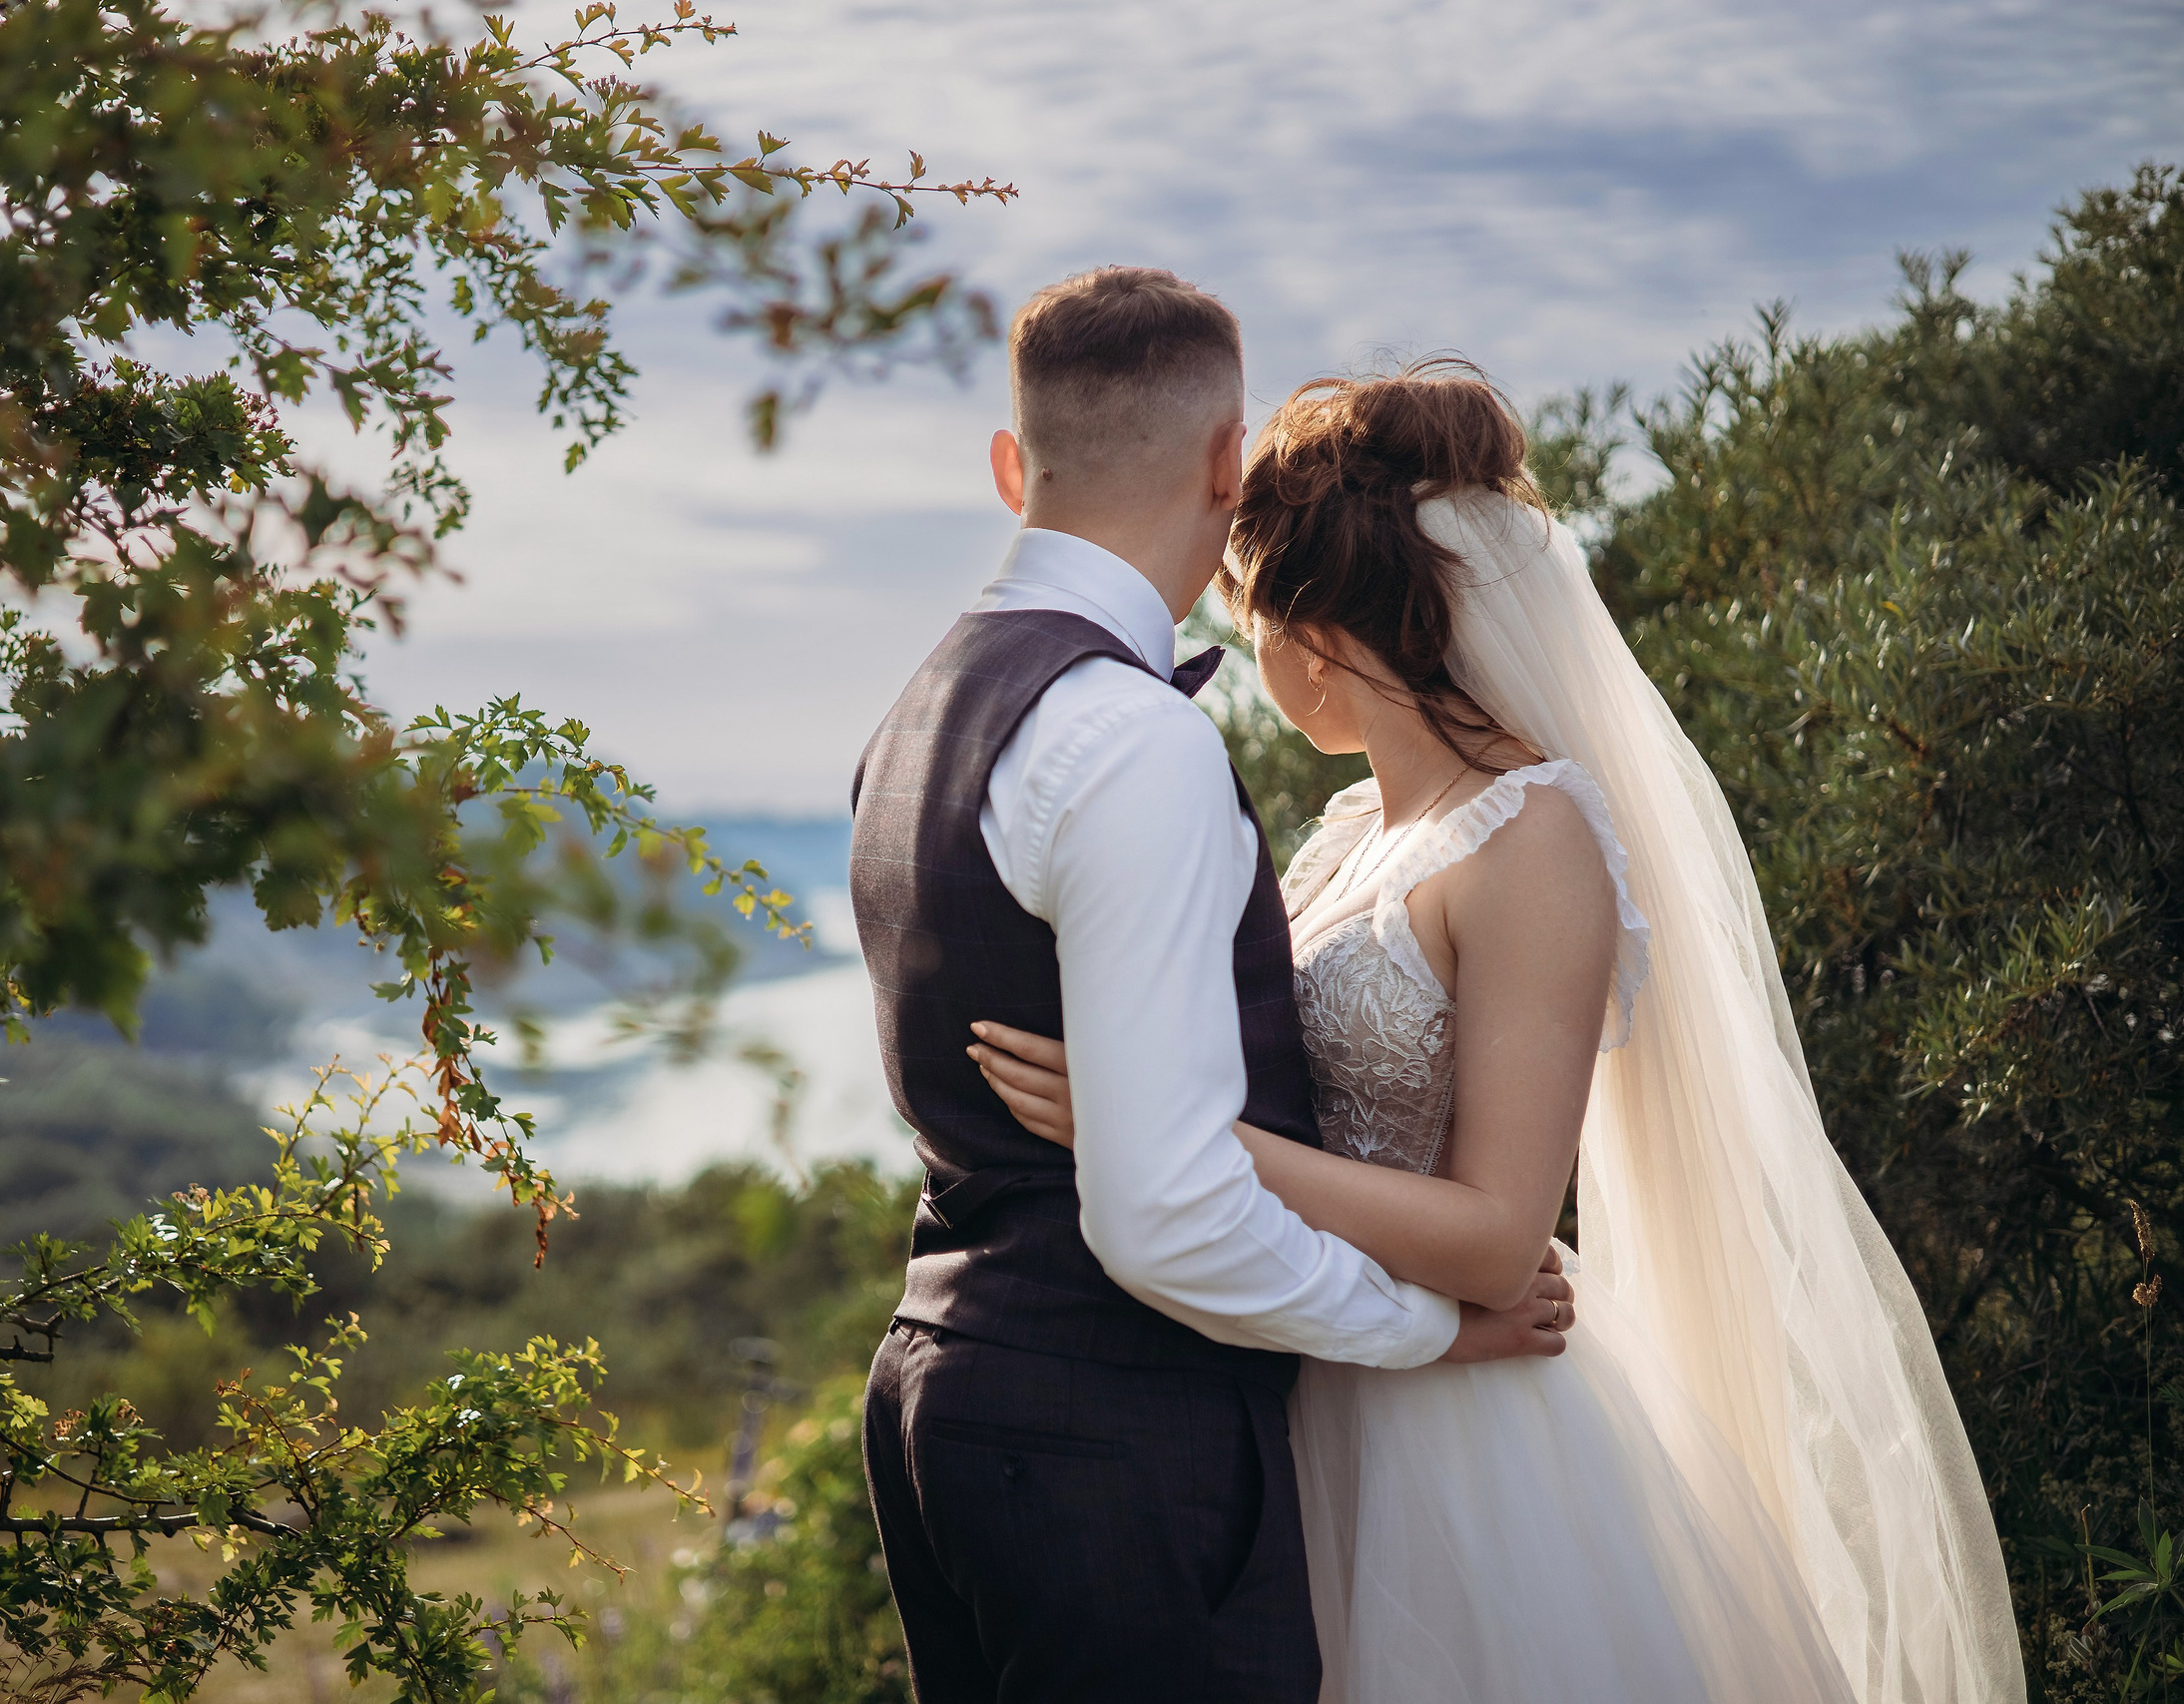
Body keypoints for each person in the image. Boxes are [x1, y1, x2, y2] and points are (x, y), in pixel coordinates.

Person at [968, 360, 2025, 1702]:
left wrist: (1175, 1137)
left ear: (1322, 637)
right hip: (1317, 1368)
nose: (1250, 658)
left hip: (1470, 1431)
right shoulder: (1348, 834)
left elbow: (1495, 1234)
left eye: (1252, 623)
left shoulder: (1536, 841)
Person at [847, 270, 1572, 1704]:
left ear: (1013, 468)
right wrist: (1433, 1331)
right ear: (1223, 469)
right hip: (1110, 1443)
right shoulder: (1130, 740)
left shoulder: (919, 709)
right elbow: (1164, 1211)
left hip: (942, 1394)